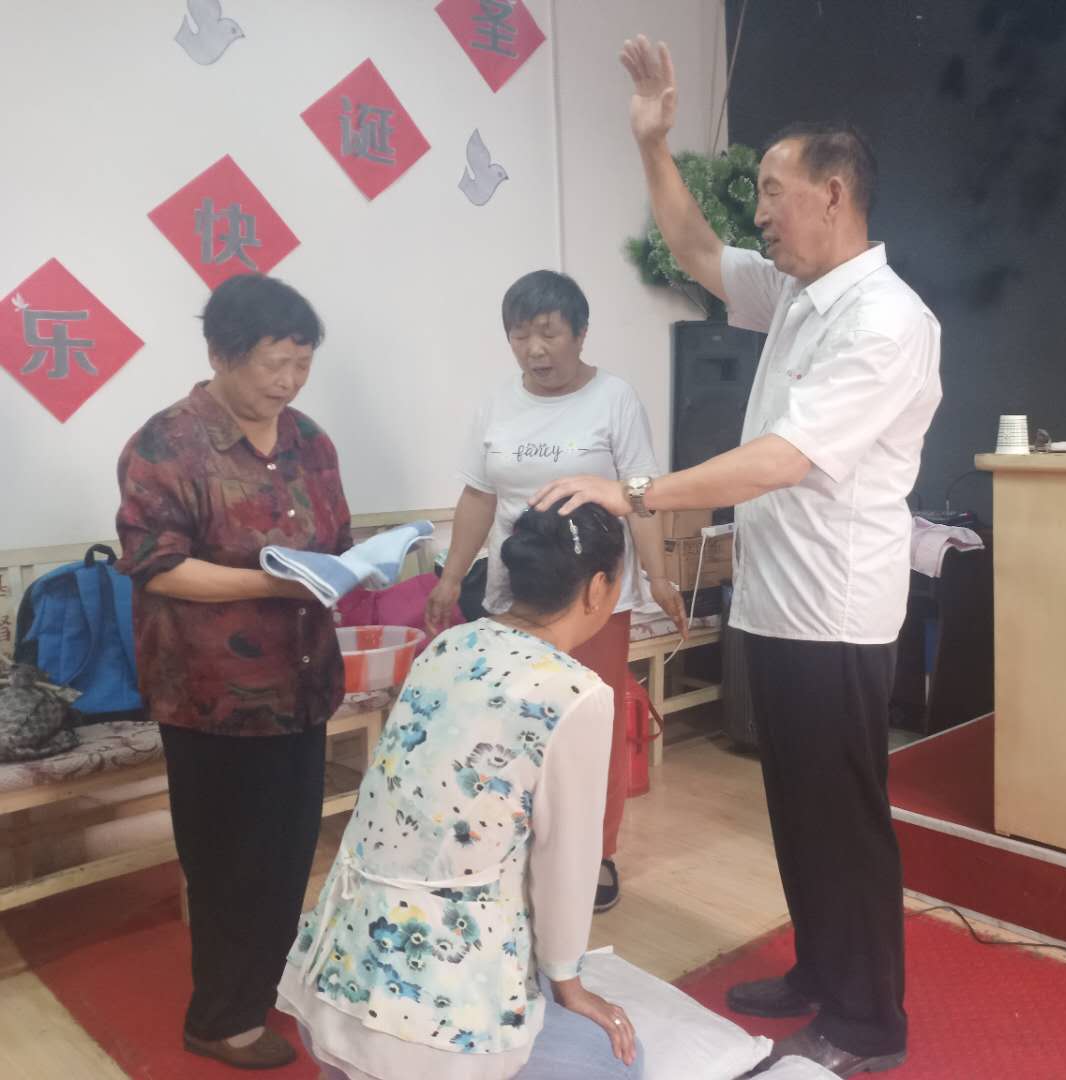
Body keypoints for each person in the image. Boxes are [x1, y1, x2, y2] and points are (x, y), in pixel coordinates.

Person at [533, 35, 943, 1078]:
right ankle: (819, 971)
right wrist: (653, 144)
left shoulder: (888, 321)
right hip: (776, 603)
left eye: (770, 189)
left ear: (834, 193)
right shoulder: (802, 292)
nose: (757, 211)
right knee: (798, 813)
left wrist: (638, 494)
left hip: (838, 615)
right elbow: (696, 251)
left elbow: (783, 459)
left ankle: (868, 1020)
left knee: (845, 823)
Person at [278, 505, 644, 1080]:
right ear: (600, 588)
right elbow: (568, 863)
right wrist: (568, 981)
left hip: (331, 975)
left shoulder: (449, 645)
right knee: (618, 1059)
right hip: (434, 1024)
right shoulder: (575, 693)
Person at [115, 273, 349, 1070]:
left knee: (286, 854)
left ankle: (258, 987)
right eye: (272, 365)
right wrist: (272, 582)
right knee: (225, 863)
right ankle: (217, 1019)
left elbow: (335, 543)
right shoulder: (166, 444)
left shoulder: (309, 441)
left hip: (304, 684)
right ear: (220, 354)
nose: (287, 383)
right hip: (211, 696)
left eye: (301, 365)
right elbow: (155, 568)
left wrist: (358, 569)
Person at [425, 270, 685, 913]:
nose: (534, 350)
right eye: (520, 336)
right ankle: (519, 847)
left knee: (588, 727)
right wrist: (453, 576)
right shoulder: (495, 404)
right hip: (516, 597)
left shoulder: (615, 399)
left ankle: (594, 854)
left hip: (593, 600)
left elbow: (643, 497)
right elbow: (478, 496)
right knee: (515, 727)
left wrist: (657, 576)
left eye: (548, 334)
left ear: (580, 332)